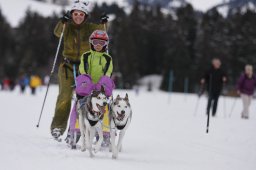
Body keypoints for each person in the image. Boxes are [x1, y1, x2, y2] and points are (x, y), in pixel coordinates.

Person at [50, 1, 109, 139]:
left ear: (85, 16)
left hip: (85, 67)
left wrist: (104, 22)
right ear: (71, 15)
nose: (78, 17)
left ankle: (90, 127)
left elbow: (103, 31)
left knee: (87, 98)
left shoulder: (89, 28)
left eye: (81, 14)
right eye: (75, 14)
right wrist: (62, 21)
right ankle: (58, 127)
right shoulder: (67, 26)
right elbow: (57, 32)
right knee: (64, 97)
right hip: (67, 67)